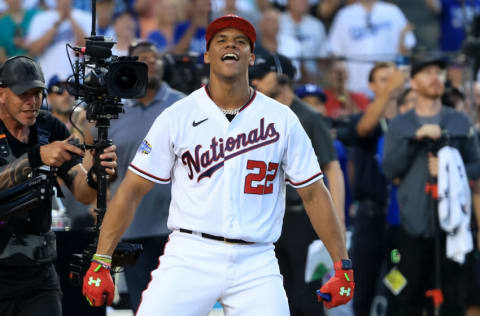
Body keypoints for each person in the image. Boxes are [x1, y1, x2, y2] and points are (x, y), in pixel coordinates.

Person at [82, 14, 354, 315]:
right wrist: (101, 259)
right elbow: (132, 189)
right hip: (190, 254)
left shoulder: (283, 119)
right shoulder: (178, 115)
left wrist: (342, 264)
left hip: (257, 260)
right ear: (208, 54)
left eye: (240, 42)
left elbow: (315, 193)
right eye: (221, 40)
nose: (231, 46)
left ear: (251, 57)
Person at [0, 56, 117, 316]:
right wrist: (36, 158)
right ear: (2, 94)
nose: (32, 102)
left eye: (37, 93)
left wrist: (98, 174)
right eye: (23, 94)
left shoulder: (48, 126)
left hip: (38, 274)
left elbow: (83, 193)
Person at [382, 56, 480, 315]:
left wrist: (451, 170)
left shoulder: (459, 120)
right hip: (411, 228)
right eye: (427, 73)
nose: (435, 77)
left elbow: (476, 164)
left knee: (453, 300)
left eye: (439, 72)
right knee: (405, 298)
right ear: (413, 83)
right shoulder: (400, 124)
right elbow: (390, 169)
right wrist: (415, 138)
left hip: (453, 230)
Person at [250, 53, 346, 316]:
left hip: (302, 216)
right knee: (270, 298)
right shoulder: (253, 116)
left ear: (282, 78)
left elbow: (333, 169)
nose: (254, 81)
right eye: (252, 76)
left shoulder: (308, 117)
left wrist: (337, 220)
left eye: (261, 75)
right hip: (265, 218)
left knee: (305, 298)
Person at [108, 40, 185, 313]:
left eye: (156, 57)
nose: (151, 61)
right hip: (131, 227)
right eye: (142, 58)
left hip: (177, 227)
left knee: (180, 305)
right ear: (129, 66)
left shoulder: (184, 105)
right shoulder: (114, 112)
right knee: (143, 307)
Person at [348, 61, 407, 316]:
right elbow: (365, 128)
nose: (390, 84)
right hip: (370, 219)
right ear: (371, 86)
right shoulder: (360, 120)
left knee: (400, 289)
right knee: (364, 291)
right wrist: (388, 92)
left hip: (402, 221)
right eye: (383, 79)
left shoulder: (408, 123)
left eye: (393, 79)